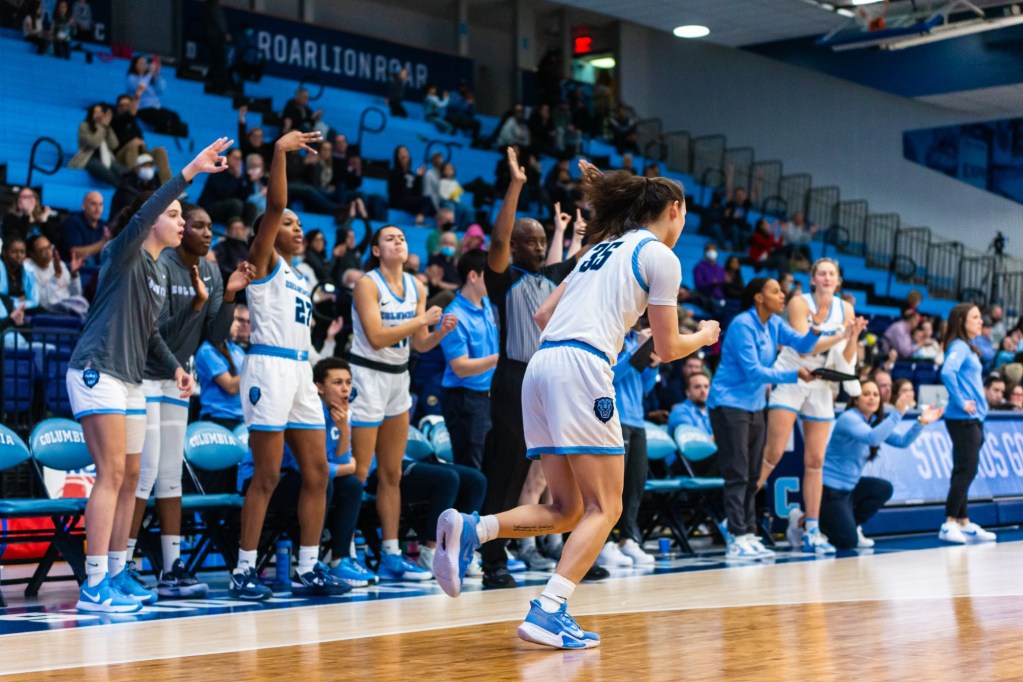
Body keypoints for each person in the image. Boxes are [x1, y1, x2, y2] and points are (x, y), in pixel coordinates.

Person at [432, 158, 721, 649]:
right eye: (686, 213)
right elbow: (669, 348)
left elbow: (545, 314)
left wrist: (606, 321)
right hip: (582, 370)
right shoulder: (660, 257)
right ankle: (549, 608)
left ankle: (472, 528)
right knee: (605, 508)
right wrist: (704, 335)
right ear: (674, 208)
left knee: (567, 509)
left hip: (541, 368)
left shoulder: (597, 250)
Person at [65, 139, 228, 613]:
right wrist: (190, 171)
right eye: (175, 215)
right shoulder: (126, 252)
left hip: (132, 378)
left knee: (134, 475)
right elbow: (149, 208)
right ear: (151, 220)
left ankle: (117, 571)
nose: (181, 222)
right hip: (98, 369)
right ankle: (93, 585)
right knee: (112, 472)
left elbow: (150, 334)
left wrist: (177, 366)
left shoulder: (156, 272)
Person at [455, 148, 584, 591]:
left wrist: (599, 196)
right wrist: (516, 185)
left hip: (550, 381)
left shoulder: (555, 278)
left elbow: (595, 248)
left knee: (548, 476)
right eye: (526, 239)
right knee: (506, 473)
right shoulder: (503, 278)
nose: (533, 244)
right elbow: (497, 240)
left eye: (538, 239)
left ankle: (539, 547)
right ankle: (492, 560)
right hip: (513, 379)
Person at [231, 130, 348, 600]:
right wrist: (279, 152)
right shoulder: (265, 260)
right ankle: (243, 569)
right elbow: (275, 206)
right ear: (270, 232)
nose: (297, 228)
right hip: (268, 369)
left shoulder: (301, 275)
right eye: (289, 223)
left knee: (318, 472)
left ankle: (308, 567)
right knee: (267, 474)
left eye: (301, 224)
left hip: (302, 372)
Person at [127, 204, 251, 601]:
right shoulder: (160, 263)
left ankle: (171, 568)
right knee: (144, 474)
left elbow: (215, 334)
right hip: (145, 375)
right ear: (181, 230)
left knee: (168, 475)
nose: (205, 231)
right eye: (197, 224)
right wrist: (196, 308)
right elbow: (153, 331)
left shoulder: (212, 272)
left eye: (209, 225)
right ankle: (124, 564)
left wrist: (228, 294)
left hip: (176, 380)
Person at [349, 223, 457, 580]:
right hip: (366, 376)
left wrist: (438, 331)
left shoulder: (417, 286)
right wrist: (420, 322)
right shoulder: (368, 283)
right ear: (377, 250)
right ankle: (344, 551)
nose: (398, 241)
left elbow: (420, 344)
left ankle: (391, 553)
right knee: (360, 471)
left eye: (402, 237)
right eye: (389, 238)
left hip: (398, 378)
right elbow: (377, 337)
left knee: (392, 473)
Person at [760, 258, 868, 554]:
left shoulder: (846, 308)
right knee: (773, 454)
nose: (827, 277)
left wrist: (853, 337)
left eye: (832, 273)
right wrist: (838, 334)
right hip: (793, 375)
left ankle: (811, 529)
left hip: (822, 383)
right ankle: (736, 520)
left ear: (838, 280)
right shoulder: (798, 303)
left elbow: (846, 356)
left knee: (815, 462)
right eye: (821, 273)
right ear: (813, 279)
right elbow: (805, 347)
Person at [708, 277, 819, 560]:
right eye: (775, 291)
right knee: (738, 472)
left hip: (755, 405)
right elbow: (753, 372)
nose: (782, 295)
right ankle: (735, 534)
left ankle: (748, 532)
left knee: (754, 473)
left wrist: (816, 329)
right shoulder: (743, 324)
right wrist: (795, 374)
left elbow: (803, 344)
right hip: (728, 403)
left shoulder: (775, 324)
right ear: (759, 297)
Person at [820, 380, 942, 550]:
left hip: (850, 490)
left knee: (882, 488)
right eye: (866, 394)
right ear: (855, 399)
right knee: (847, 542)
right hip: (829, 491)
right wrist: (898, 412)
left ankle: (852, 524)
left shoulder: (873, 423)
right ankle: (805, 522)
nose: (872, 398)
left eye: (875, 394)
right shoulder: (849, 418)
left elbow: (902, 441)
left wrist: (921, 421)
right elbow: (872, 438)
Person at [599, 324, 660, 568]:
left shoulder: (638, 338)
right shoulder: (611, 334)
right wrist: (635, 355)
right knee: (613, 486)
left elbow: (646, 388)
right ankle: (604, 541)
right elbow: (610, 376)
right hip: (615, 417)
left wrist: (653, 366)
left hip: (637, 419)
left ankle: (628, 538)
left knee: (635, 483)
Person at [938, 303, 997, 544]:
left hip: (974, 419)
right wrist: (961, 401)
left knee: (963, 468)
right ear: (962, 321)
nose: (981, 321)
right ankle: (949, 522)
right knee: (968, 469)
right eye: (975, 317)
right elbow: (946, 372)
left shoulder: (968, 347)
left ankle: (963, 521)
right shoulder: (959, 346)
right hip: (963, 419)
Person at [439, 250, 499, 470]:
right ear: (473, 276)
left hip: (489, 397)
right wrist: (500, 360)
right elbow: (460, 367)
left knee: (490, 465)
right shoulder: (454, 316)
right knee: (470, 468)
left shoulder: (488, 307)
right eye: (490, 274)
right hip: (465, 401)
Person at [195, 305, 249, 430]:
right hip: (218, 420)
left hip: (242, 420)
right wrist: (257, 366)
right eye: (236, 319)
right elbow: (231, 387)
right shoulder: (207, 350)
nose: (240, 325)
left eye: (247, 322)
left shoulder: (238, 350)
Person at [110, 94, 172, 183]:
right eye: (121, 106)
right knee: (134, 143)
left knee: (160, 151)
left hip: (138, 155)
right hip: (120, 157)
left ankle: (168, 186)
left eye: (127, 106)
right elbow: (127, 118)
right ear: (117, 107)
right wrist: (138, 95)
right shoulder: (114, 121)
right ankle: (133, 182)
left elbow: (141, 142)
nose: (124, 108)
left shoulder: (134, 124)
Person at [23, 232, 87, 314]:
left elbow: (76, 294)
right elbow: (42, 302)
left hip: (70, 308)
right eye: (42, 250)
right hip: (48, 313)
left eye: (49, 247)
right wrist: (56, 275)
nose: (48, 252)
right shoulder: (29, 270)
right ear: (32, 254)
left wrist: (74, 275)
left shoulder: (59, 264)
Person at [126, 55, 186, 137]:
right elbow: (141, 87)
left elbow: (160, 90)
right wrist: (150, 73)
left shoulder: (150, 79)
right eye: (141, 63)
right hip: (141, 108)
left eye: (145, 63)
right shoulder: (132, 78)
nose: (144, 65)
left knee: (175, 116)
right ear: (135, 65)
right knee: (164, 119)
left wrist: (157, 73)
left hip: (155, 108)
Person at [69, 103, 126, 187]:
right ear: (91, 114)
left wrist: (107, 127)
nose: (99, 114)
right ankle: (124, 190)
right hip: (88, 158)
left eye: (101, 112)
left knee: (125, 172)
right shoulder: (84, 126)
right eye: (96, 112)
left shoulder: (105, 127)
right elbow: (94, 143)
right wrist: (102, 127)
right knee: (111, 176)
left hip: (106, 158)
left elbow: (114, 145)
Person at [388, 145, 434, 224]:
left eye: (405, 151)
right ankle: (419, 221)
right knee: (427, 200)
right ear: (397, 156)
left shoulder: (413, 175)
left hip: (410, 201)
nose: (404, 154)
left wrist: (419, 177)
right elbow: (392, 190)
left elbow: (418, 193)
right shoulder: (394, 173)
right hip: (399, 200)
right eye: (401, 152)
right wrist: (402, 170)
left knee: (433, 207)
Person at [198, 148, 246, 224]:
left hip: (228, 207)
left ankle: (248, 232)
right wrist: (236, 178)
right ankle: (233, 232)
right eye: (235, 158)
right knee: (236, 204)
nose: (237, 161)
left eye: (239, 159)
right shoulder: (217, 169)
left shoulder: (239, 175)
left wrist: (240, 179)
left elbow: (244, 197)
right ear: (227, 157)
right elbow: (223, 193)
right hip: (210, 206)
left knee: (251, 207)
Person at [110, 154, 162, 220]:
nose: (148, 169)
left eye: (150, 166)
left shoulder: (154, 184)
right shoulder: (126, 185)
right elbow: (135, 208)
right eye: (145, 166)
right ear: (136, 168)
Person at [61, 191, 108, 262]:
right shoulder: (73, 222)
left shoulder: (104, 226)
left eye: (100, 204)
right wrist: (102, 243)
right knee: (89, 260)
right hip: (76, 269)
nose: (98, 209)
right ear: (83, 205)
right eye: (93, 204)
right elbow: (75, 253)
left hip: (98, 269)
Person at [668, 371, 712, 437]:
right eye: (697, 387)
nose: (703, 391)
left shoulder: (711, 410)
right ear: (688, 392)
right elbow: (692, 439)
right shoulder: (680, 411)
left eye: (706, 386)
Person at [0, 236, 39, 311]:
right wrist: (18, 299)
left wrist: (14, 302)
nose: (19, 256)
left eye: (22, 252)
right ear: (4, 253)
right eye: (14, 252)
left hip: (25, 309)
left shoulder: (28, 270)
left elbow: (34, 301)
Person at [693, 242, 726, 307]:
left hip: (720, 297)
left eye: (714, 250)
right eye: (710, 250)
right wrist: (711, 283)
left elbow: (723, 283)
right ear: (705, 252)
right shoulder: (699, 267)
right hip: (705, 297)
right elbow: (699, 284)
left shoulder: (720, 268)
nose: (712, 252)